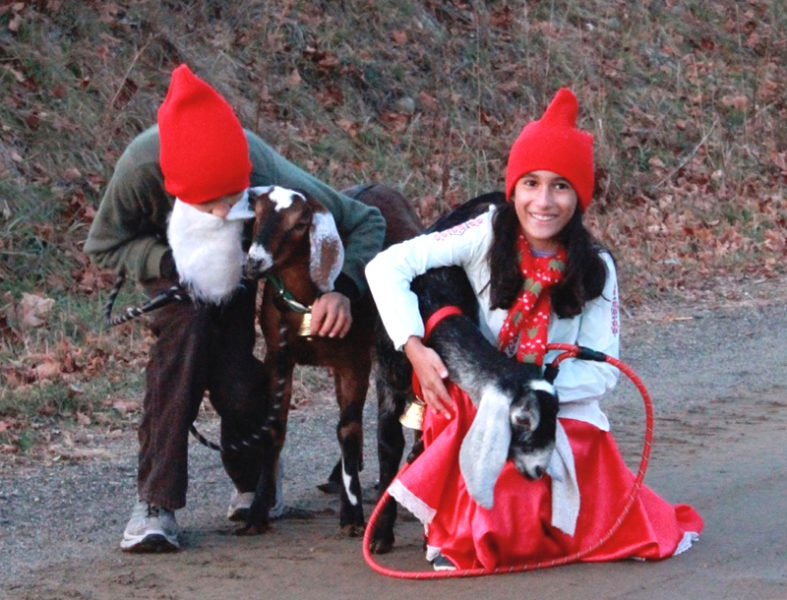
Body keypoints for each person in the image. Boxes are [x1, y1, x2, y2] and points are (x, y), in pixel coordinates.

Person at [365, 88, 703, 571]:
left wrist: (533, 392)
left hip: (557, 407)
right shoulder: (482, 234)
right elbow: (386, 267)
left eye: (561, 186)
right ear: (514, 189)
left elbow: (603, 372)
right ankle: (457, 536)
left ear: (580, 197)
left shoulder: (597, 267)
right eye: (531, 183)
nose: (543, 202)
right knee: (489, 480)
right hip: (479, 400)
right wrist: (414, 345)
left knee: (564, 492)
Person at [84, 64, 386, 552]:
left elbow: (363, 220)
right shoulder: (143, 166)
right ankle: (156, 504)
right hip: (172, 267)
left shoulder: (263, 167)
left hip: (246, 265)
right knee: (184, 345)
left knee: (235, 371)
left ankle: (256, 476)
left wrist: (342, 287)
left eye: (234, 198)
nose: (225, 211)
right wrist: (165, 262)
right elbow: (103, 244)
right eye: (211, 203)